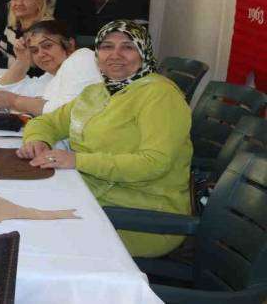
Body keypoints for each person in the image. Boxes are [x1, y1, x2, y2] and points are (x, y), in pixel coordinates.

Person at [18, 21, 192, 258]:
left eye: (128, 47)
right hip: (91, 196)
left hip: (141, 216)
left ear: (144, 52)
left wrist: (76, 160)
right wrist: (38, 140)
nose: (115, 55)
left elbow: (154, 163)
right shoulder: (98, 91)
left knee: (29, 239)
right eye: (107, 47)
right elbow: (48, 122)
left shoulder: (160, 95)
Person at [0, 20, 102, 115]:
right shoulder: (51, 75)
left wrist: (15, 101)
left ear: (70, 44)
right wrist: (22, 60)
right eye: (34, 50)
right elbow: (3, 90)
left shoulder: (82, 58)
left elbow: (68, 111)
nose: (40, 54)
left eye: (47, 46)